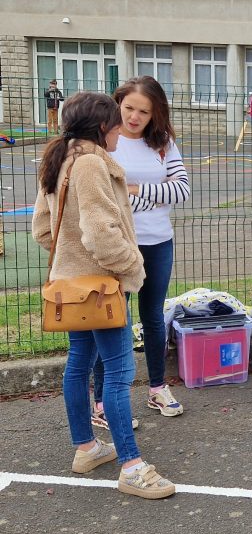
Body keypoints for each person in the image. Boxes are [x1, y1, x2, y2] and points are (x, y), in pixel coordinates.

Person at [32, 92, 175, 498]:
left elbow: (42, 228)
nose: (121, 132)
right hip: (102, 286)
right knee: (118, 372)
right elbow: (100, 232)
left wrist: (70, 258)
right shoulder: (92, 163)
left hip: (70, 287)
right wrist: (132, 269)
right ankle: (132, 467)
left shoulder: (60, 157)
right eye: (116, 124)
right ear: (102, 127)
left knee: (79, 364)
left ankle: (87, 448)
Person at [90, 76, 191, 428]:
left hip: (158, 242)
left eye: (143, 112)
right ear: (118, 104)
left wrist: (132, 190)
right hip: (117, 246)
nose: (134, 117)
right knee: (112, 319)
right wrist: (152, 193)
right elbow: (102, 195)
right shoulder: (104, 140)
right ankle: (102, 401)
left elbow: (181, 191)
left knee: (153, 319)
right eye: (128, 108)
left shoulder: (163, 143)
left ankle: (157, 388)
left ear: (155, 114)